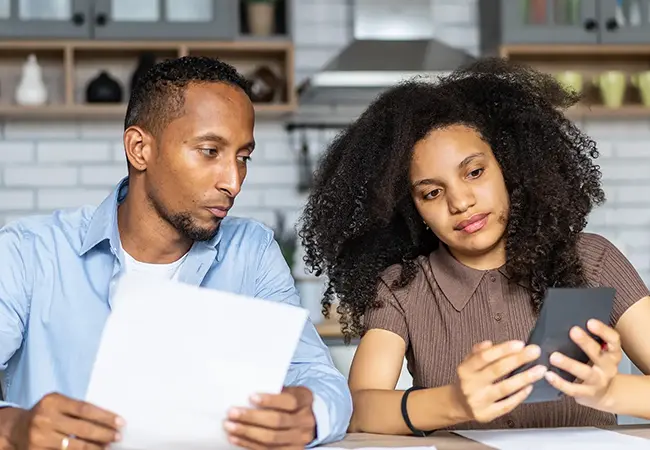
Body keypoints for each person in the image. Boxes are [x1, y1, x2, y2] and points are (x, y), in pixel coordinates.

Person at [0, 56, 352, 450]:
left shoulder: (251, 253)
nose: (233, 182)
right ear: (139, 149)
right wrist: (12, 427)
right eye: (209, 151)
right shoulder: (29, 253)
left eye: (243, 157)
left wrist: (308, 412)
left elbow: (321, 379)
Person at [299, 57, 650, 435]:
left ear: (510, 166)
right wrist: (453, 403)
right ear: (412, 208)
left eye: (475, 172)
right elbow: (359, 410)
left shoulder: (593, 260)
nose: (460, 202)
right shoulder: (402, 286)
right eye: (432, 192)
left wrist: (611, 391)